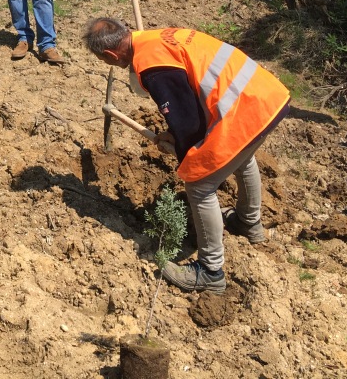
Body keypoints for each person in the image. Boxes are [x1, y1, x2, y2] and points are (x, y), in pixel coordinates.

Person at [84, 17, 290, 293]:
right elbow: (193, 91)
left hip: (244, 110)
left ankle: (210, 272)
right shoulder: (157, 37)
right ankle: (248, 223)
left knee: (199, 185)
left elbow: (190, 126)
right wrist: (176, 133)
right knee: (242, 158)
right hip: (263, 95)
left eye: (104, 61)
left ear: (110, 54)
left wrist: (185, 152)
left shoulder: (151, 66)